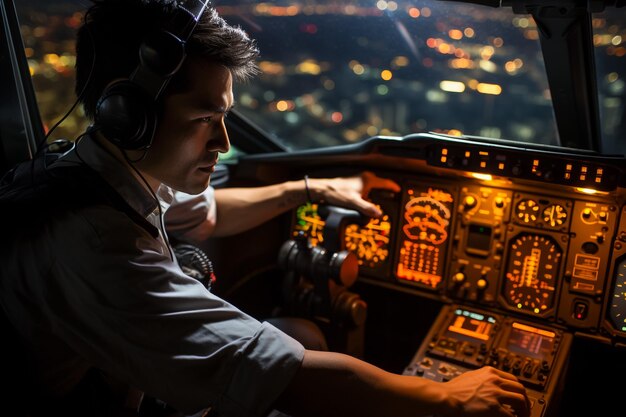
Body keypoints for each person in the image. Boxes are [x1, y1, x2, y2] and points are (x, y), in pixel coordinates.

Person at [0, 1, 530, 417]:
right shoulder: (95, 242)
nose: (225, 142)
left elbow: (209, 215)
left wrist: (308, 189)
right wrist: (447, 397)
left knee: (303, 334)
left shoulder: (101, 173)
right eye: (206, 118)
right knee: (301, 349)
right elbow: (279, 374)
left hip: (113, 378)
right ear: (128, 115)